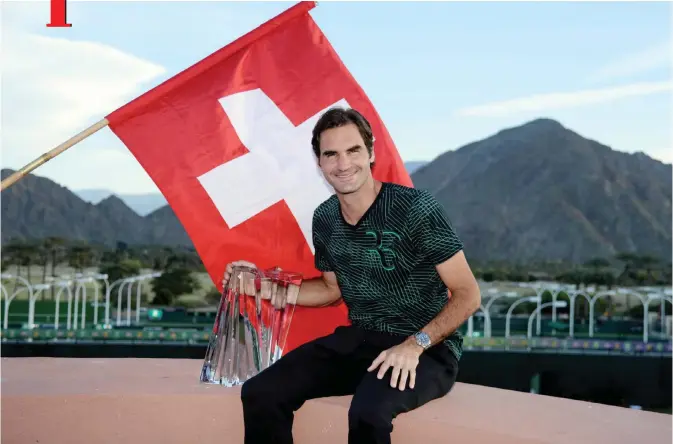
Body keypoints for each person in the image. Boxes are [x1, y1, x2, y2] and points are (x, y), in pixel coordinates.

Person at [222, 107, 482, 444]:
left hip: (426, 349)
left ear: (371, 152)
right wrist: (263, 286)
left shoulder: (416, 208)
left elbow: (467, 293)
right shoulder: (326, 218)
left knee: (368, 415)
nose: (343, 164)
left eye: (353, 150)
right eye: (331, 154)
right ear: (320, 163)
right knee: (261, 392)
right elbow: (331, 290)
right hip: (360, 339)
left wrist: (413, 346)